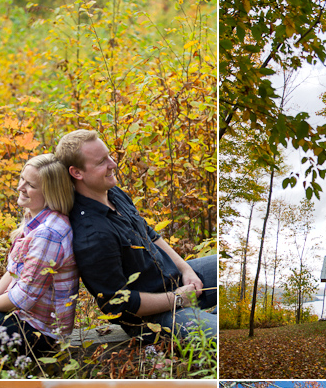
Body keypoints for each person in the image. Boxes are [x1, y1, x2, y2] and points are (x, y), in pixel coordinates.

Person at [54, 130, 216, 340]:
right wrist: (177, 299)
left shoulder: (112, 193)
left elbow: (149, 234)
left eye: (109, 155)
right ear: (77, 173)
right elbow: (117, 304)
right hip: (155, 317)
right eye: (102, 161)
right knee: (217, 338)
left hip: (175, 281)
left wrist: (186, 269)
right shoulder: (92, 234)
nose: (113, 164)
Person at [0, 153, 78, 354]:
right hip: (20, 311)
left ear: (50, 193)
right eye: (22, 179)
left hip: (37, 332)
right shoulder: (35, 216)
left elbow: (23, 298)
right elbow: (13, 272)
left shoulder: (49, 233)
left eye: (31, 186)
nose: (20, 188)